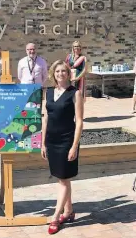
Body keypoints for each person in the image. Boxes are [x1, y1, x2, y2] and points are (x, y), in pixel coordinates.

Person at [41, 60, 84, 235]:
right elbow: (45, 118)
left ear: (68, 73)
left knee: (64, 179)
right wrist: (43, 143)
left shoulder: (75, 93)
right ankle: (69, 211)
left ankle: (56, 216)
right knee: (62, 178)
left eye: (63, 71)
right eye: (57, 71)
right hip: (51, 140)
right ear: (53, 73)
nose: (60, 74)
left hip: (67, 140)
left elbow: (80, 122)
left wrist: (74, 146)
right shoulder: (49, 92)